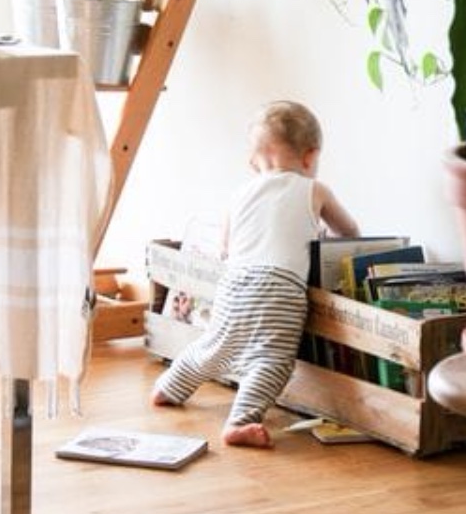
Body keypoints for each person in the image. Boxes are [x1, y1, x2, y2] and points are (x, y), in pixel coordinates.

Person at [151, 100, 360, 449]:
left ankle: (169, 388)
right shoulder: (314, 190)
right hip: (280, 289)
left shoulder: (239, 194)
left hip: (234, 283)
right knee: (272, 360)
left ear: (254, 160)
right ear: (310, 156)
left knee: (215, 346)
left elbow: (225, 249)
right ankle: (240, 421)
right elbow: (350, 233)